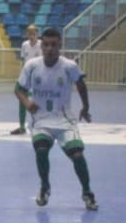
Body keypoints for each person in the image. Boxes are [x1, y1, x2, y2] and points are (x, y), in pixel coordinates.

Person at [14, 26, 97, 211]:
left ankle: (87, 192)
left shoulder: (69, 66)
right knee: (41, 150)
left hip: (64, 119)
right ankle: (45, 186)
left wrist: (85, 107)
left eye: (54, 45)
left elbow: (81, 85)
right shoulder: (31, 66)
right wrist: (27, 103)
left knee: (77, 154)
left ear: (60, 46)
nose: (50, 49)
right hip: (41, 119)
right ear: (41, 46)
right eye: (46, 45)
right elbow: (18, 89)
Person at [13, 24, 42, 134]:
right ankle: (21, 127)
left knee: (38, 100)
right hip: (26, 76)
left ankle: (40, 125)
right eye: (29, 34)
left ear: (37, 34)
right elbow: (23, 60)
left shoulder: (41, 45)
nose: (31, 36)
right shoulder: (24, 45)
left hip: (38, 76)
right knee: (22, 99)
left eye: (33, 34)